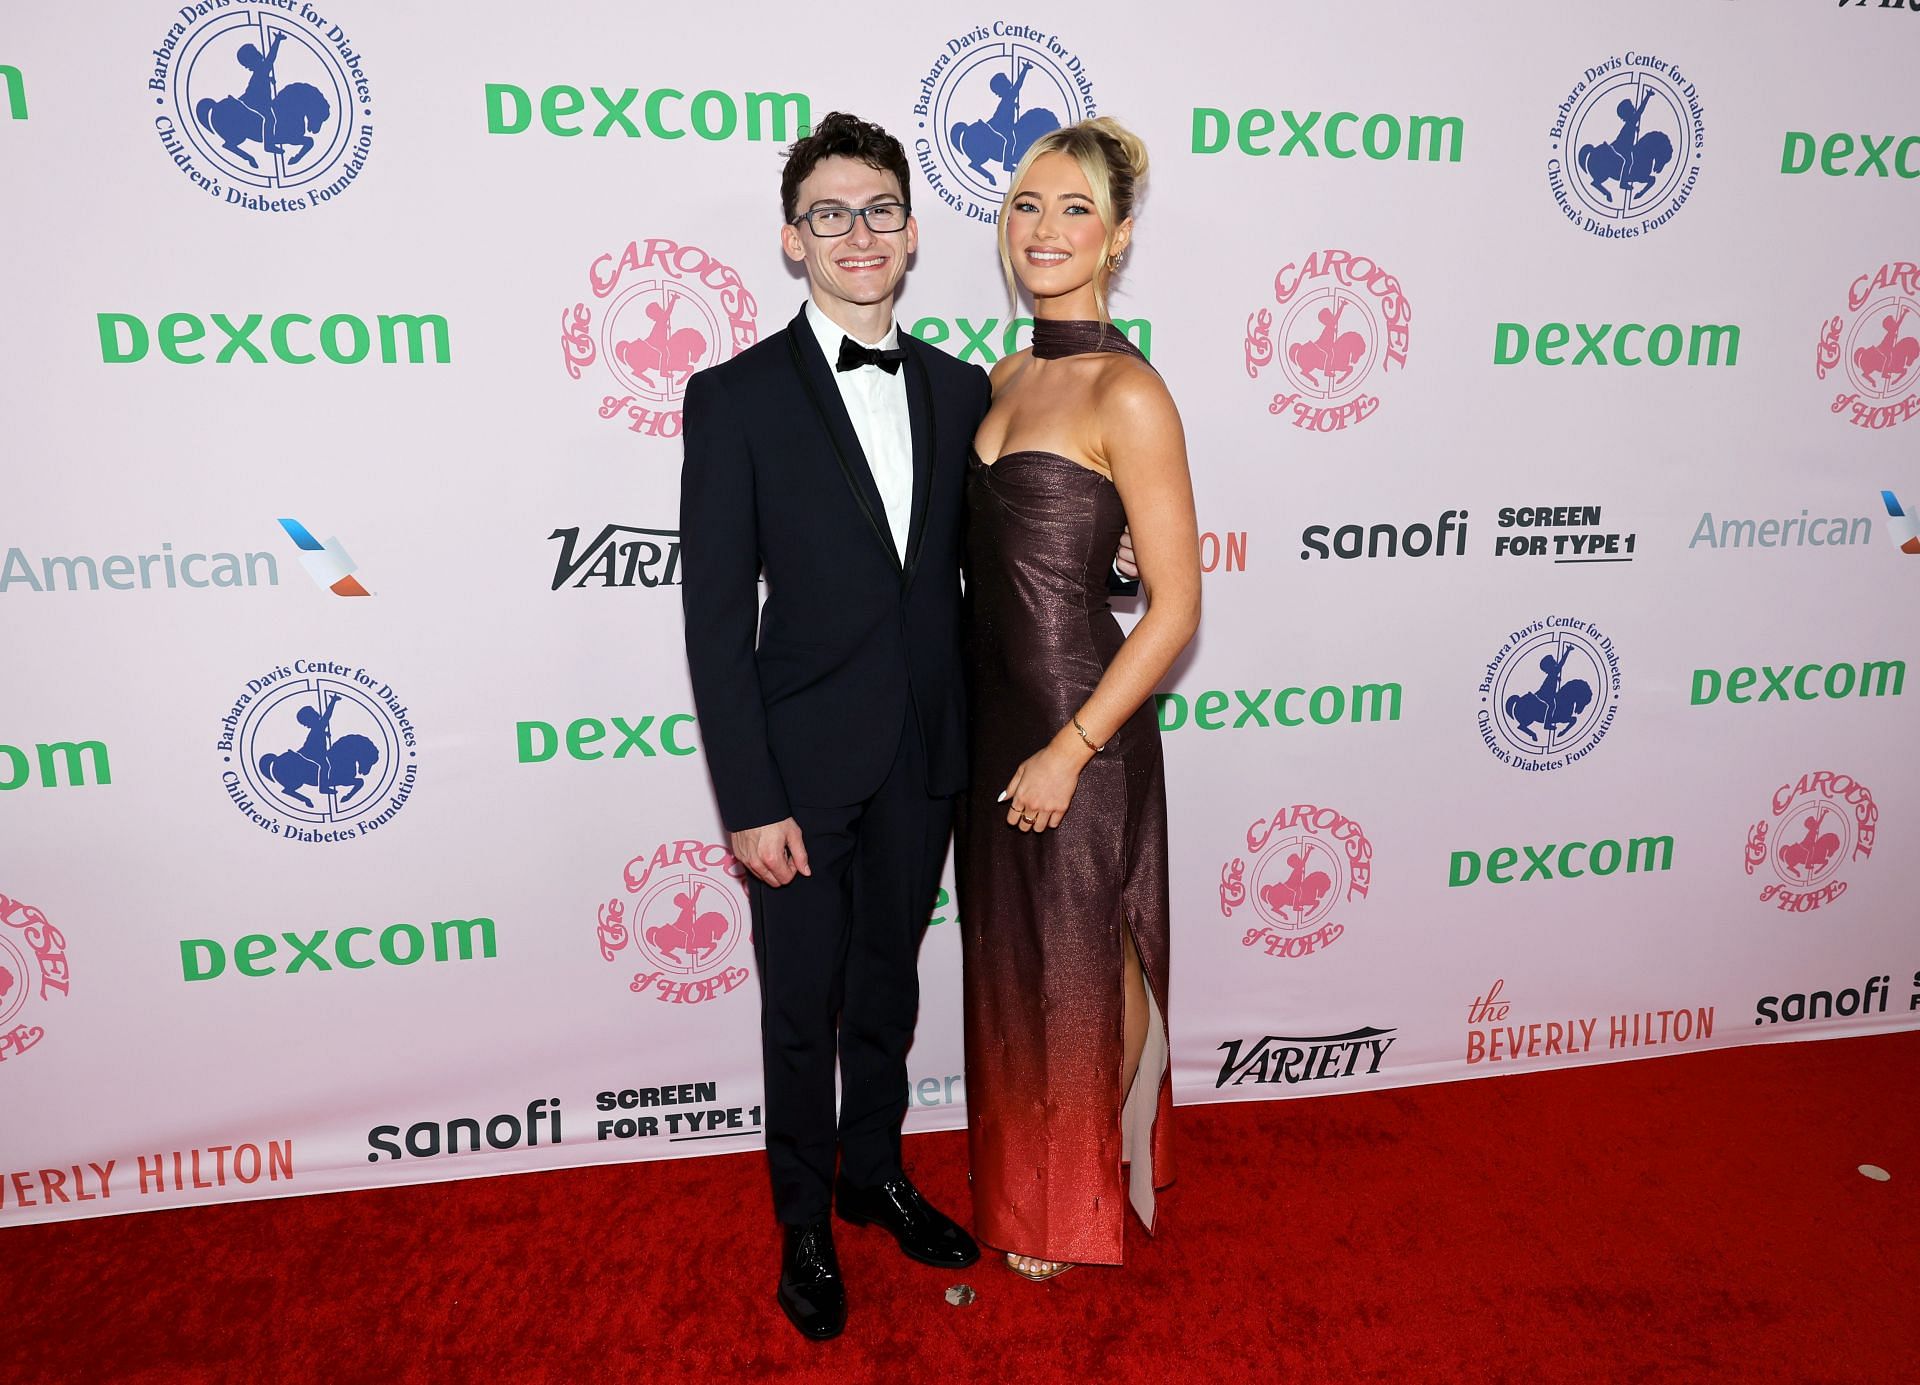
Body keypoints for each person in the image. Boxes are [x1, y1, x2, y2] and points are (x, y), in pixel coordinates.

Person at [679, 112, 989, 1343]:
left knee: (888, 990)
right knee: (799, 1006)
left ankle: (875, 1174)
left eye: (878, 211)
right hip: (799, 773)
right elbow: (713, 622)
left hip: (926, 756)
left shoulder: (966, 388)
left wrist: (1116, 562)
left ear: (911, 235)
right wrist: (748, 798)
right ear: (794, 242)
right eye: (829, 215)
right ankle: (804, 1219)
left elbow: (1007, 561)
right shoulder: (734, 397)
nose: (857, 233)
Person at [957, 117, 1201, 1282]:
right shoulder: (1005, 373)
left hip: (1080, 722)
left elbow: (1172, 608)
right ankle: (1031, 1171)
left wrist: (1072, 746)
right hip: (995, 721)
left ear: (1119, 236)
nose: (1044, 230)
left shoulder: (1130, 389)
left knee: (1085, 964)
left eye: (1074, 210)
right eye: (1025, 206)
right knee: (1016, 967)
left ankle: (1081, 1175)